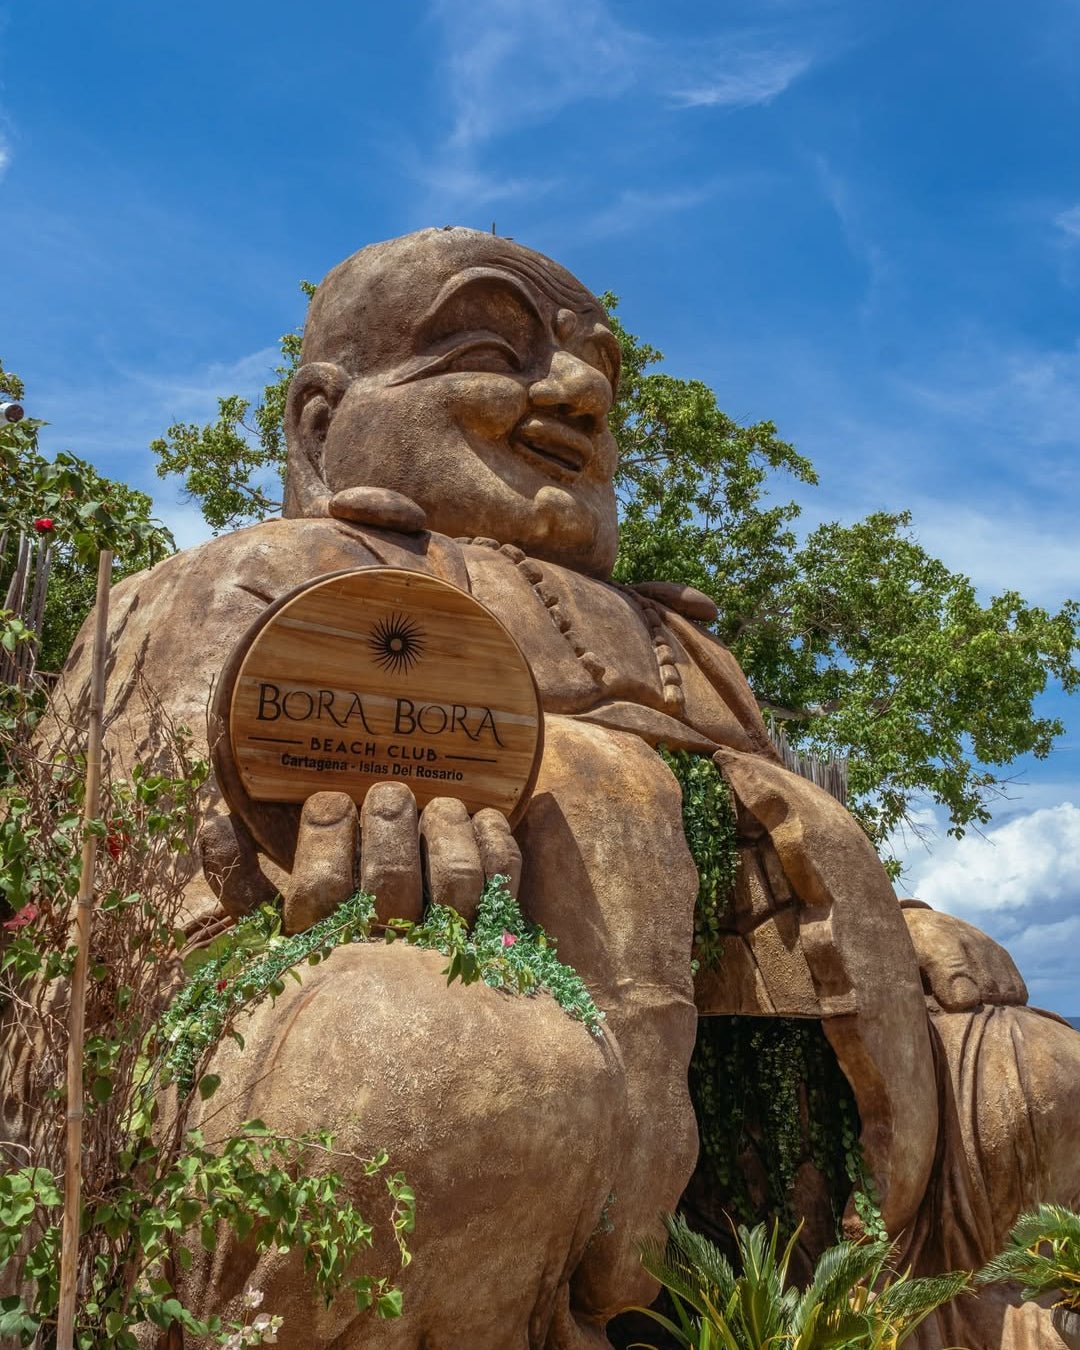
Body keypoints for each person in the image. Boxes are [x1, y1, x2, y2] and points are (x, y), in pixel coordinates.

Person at [51, 228, 1078, 1350]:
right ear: (319, 422)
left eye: (599, 370)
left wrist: (902, 923)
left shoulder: (682, 642)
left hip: (741, 1077)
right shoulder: (268, 575)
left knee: (1036, 1070)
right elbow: (119, 884)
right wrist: (286, 863)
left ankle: (945, 1307)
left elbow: (782, 839)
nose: (582, 392)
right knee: (443, 1069)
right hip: (447, 994)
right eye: (495, 347)